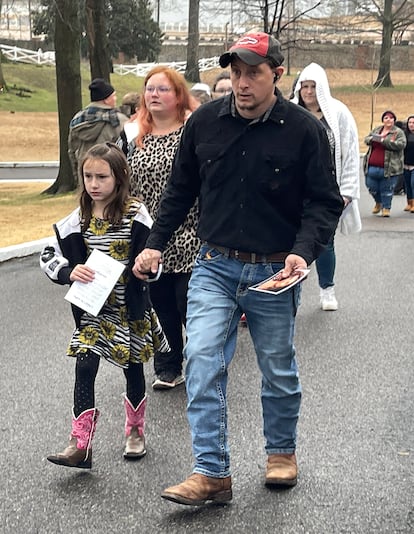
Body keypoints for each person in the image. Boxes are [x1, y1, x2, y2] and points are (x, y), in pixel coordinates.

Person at [133, 31, 343, 505]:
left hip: (274, 273)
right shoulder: (205, 122)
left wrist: (303, 252)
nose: (242, 83)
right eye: (236, 73)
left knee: (277, 368)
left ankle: (281, 453)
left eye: (254, 73)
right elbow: (180, 191)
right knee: (202, 359)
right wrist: (156, 245)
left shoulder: (305, 131)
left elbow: (324, 203)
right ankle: (212, 472)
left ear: (277, 75)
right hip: (215, 265)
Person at [40, 142, 169, 469]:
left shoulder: (135, 214)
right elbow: (48, 255)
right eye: (87, 176)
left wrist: (146, 267)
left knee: (133, 368)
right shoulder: (77, 219)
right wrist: (69, 271)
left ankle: (135, 431)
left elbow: (154, 258)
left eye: (102, 177)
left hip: (129, 312)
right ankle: (80, 443)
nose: (93, 184)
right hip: (92, 312)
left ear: (120, 177)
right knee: (84, 366)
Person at [128, 66, 200, 390]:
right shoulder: (133, 135)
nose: (154, 94)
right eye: (149, 89)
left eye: (162, 89)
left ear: (179, 96)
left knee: (189, 303)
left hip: (190, 232)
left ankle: (203, 363)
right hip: (149, 237)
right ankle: (169, 366)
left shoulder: (193, 131)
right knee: (159, 306)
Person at [291, 62, 361, 311]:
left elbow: (351, 154)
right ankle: (290, 291)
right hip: (295, 192)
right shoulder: (290, 112)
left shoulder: (338, 113)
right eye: (304, 86)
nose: (308, 92)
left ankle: (327, 289)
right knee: (290, 243)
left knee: (324, 241)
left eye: (313, 87)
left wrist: (347, 192)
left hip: (327, 192)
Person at [68, 78, 128, 183]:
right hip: (111, 176)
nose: (115, 98)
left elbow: (72, 150)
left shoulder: (77, 119)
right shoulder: (118, 120)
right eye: (113, 96)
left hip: (86, 175)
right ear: (106, 99)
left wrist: (77, 175)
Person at [363, 110, 406, 217]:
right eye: (386, 118)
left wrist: (384, 141)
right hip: (372, 166)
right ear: (383, 120)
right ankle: (378, 202)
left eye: (391, 118)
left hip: (390, 167)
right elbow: (367, 139)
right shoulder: (377, 129)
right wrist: (373, 139)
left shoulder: (398, 132)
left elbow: (401, 144)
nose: (388, 120)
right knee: (371, 187)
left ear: (394, 120)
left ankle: (386, 208)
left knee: (387, 189)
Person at [401, 115, 414, 213]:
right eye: (410, 123)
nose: (411, 125)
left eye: (413, 123)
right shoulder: (404, 135)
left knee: (413, 184)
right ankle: (409, 203)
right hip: (405, 164)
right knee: (408, 185)